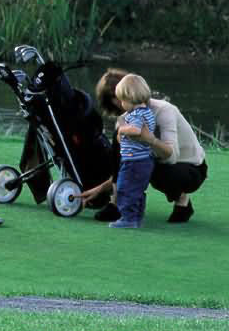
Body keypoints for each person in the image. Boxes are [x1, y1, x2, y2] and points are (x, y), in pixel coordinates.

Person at [80, 67, 209, 225]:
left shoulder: (164, 111)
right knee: (124, 144)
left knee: (147, 165)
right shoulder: (124, 119)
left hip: (190, 168)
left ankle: (182, 201)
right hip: (156, 161)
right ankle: (116, 202)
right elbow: (123, 163)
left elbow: (172, 157)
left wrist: (150, 140)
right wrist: (101, 188)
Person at [105, 74, 158, 229]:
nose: (121, 104)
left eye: (122, 100)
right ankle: (136, 216)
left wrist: (121, 130)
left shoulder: (137, 114)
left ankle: (128, 219)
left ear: (130, 98)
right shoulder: (147, 112)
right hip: (144, 160)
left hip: (134, 160)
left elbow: (135, 130)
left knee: (124, 188)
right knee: (137, 190)